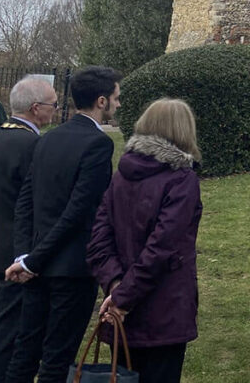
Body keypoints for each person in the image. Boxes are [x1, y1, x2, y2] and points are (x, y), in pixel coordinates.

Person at [4, 66, 121, 383]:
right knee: (57, 359)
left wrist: (24, 256)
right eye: (115, 97)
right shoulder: (98, 144)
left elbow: (25, 202)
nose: (118, 104)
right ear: (101, 101)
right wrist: (32, 259)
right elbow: (80, 210)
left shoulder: (48, 138)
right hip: (71, 267)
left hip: (36, 264)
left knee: (25, 352)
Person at [87, 99, 203, 383]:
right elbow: (163, 248)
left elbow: (100, 236)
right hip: (162, 305)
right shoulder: (181, 179)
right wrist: (121, 294)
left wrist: (117, 288)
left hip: (125, 299)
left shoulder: (121, 173)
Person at [0, 77, 53, 383]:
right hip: (15, 252)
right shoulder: (31, 144)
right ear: (36, 108)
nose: (55, 111)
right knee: (6, 335)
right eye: (52, 105)